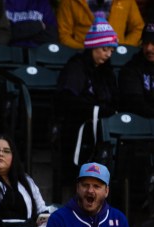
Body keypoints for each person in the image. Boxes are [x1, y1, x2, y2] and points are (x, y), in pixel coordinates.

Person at [55, 19, 120, 172]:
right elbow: (67, 99)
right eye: (105, 49)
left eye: (111, 51)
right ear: (93, 46)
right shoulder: (76, 67)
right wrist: (96, 110)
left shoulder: (107, 71)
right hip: (79, 125)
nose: (108, 55)